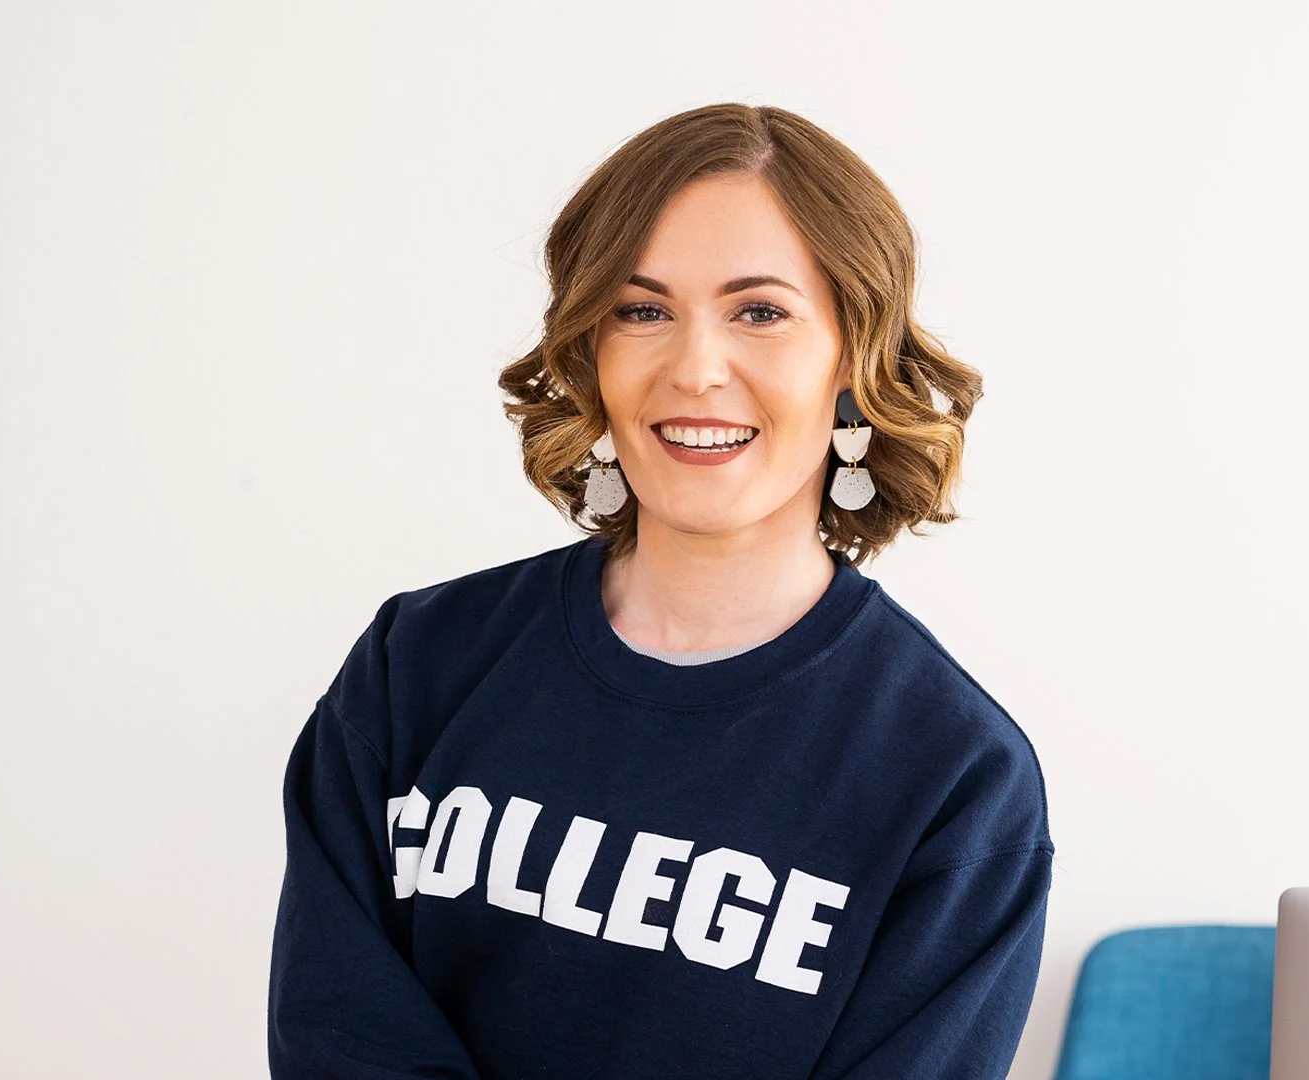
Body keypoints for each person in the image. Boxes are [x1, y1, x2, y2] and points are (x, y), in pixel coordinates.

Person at [267, 102, 1055, 1080]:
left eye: (759, 312)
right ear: (590, 352)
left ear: (852, 360)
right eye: (642, 311)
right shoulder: (416, 662)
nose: (694, 368)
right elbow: (339, 1039)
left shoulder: (955, 779)